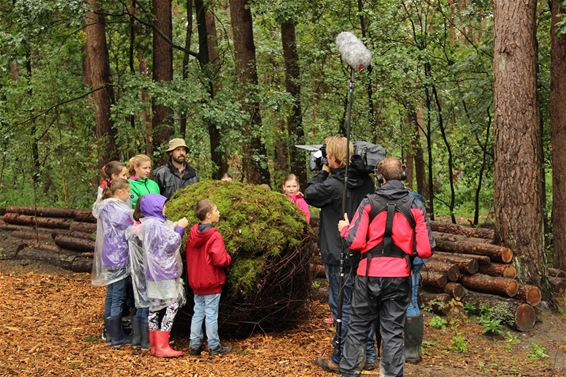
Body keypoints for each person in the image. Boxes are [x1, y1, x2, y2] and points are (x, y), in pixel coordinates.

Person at [337, 157, 433, 377]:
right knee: (392, 333)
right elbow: (426, 249)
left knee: (358, 329)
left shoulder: (368, 202)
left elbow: (355, 242)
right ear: (403, 176)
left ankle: (349, 373)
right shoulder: (415, 204)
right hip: (398, 277)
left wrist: (344, 228)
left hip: (367, 275)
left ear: (380, 177)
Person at [303, 136, 375, 371]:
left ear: (333, 158)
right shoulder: (366, 182)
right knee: (361, 303)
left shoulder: (333, 185)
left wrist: (323, 171)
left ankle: (343, 357)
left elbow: (310, 193)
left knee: (341, 306)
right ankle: (368, 355)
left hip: (337, 253)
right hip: (361, 249)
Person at [134, 193, 188, 357]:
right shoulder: (155, 225)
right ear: (155, 208)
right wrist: (180, 227)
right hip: (164, 272)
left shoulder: (147, 224)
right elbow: (170, 244)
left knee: (155, 306)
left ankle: (154, 344)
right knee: (172, 304)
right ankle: (163, 345)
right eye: (164, 205)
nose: (166, 208)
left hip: (152, 273)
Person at [91, 178, 134, 348]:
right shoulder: (118, 209)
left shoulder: (104, 206)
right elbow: (130, 224)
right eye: (128, 191)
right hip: (119, 255)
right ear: (120, 192)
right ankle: (116, 336)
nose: (130, 194)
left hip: (109, 254)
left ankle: (110, 332)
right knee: (117, 296)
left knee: (111, 294)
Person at [186, 199, 232, 356]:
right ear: (208, 215)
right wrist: (228, 258)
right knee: (211, 313)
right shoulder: (214, 236)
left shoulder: (192, 234)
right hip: (211, 281)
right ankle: (214, 346)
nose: (219, 212)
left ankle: (194, 345)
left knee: (198, 312)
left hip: (196, 282)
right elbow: (220, 260)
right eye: (216, 210)